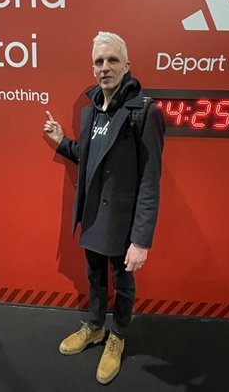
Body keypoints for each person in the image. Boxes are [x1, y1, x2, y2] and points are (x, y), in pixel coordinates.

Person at [44, 31, 165, 384]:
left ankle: (117, 337)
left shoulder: (145, 112)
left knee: (122, 283)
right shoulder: (91, 111)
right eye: (99, 61)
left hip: (122, 222)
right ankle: (96, 327)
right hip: (94, 214)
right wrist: (62, 142)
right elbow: (91, 158)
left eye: (112, 60)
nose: (104, 67)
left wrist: (141, 241)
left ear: (127, 65)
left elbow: (150, 181)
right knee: (94, 277)